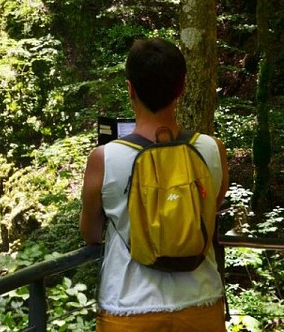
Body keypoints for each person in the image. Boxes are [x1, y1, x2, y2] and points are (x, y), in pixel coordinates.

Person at [79, 38, 230, 331]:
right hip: (202, 304)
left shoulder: (104, 158)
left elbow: (91, 233)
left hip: (128, 310)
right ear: (182, 88)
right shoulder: (213, 149)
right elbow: (210, 211)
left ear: (130, 88)